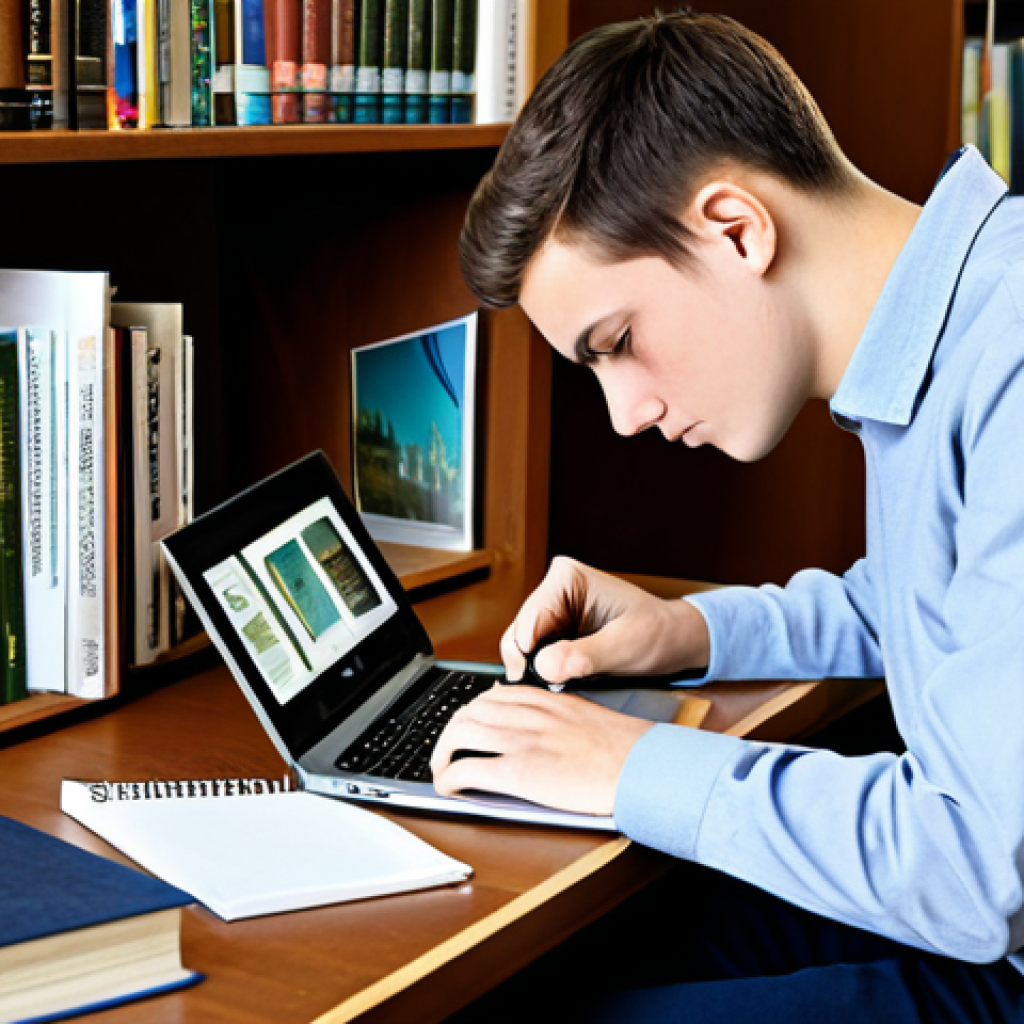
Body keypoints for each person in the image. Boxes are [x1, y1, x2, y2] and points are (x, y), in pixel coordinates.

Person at [427, 10, 1024, 1022]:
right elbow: (935, 603)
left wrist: (623, 762)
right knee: (566, 966)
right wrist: (690, 629)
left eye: (614, 342)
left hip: (988, 926)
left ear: (735, 227)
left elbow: (972, 873)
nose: (626, 415)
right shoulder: (952, 322)